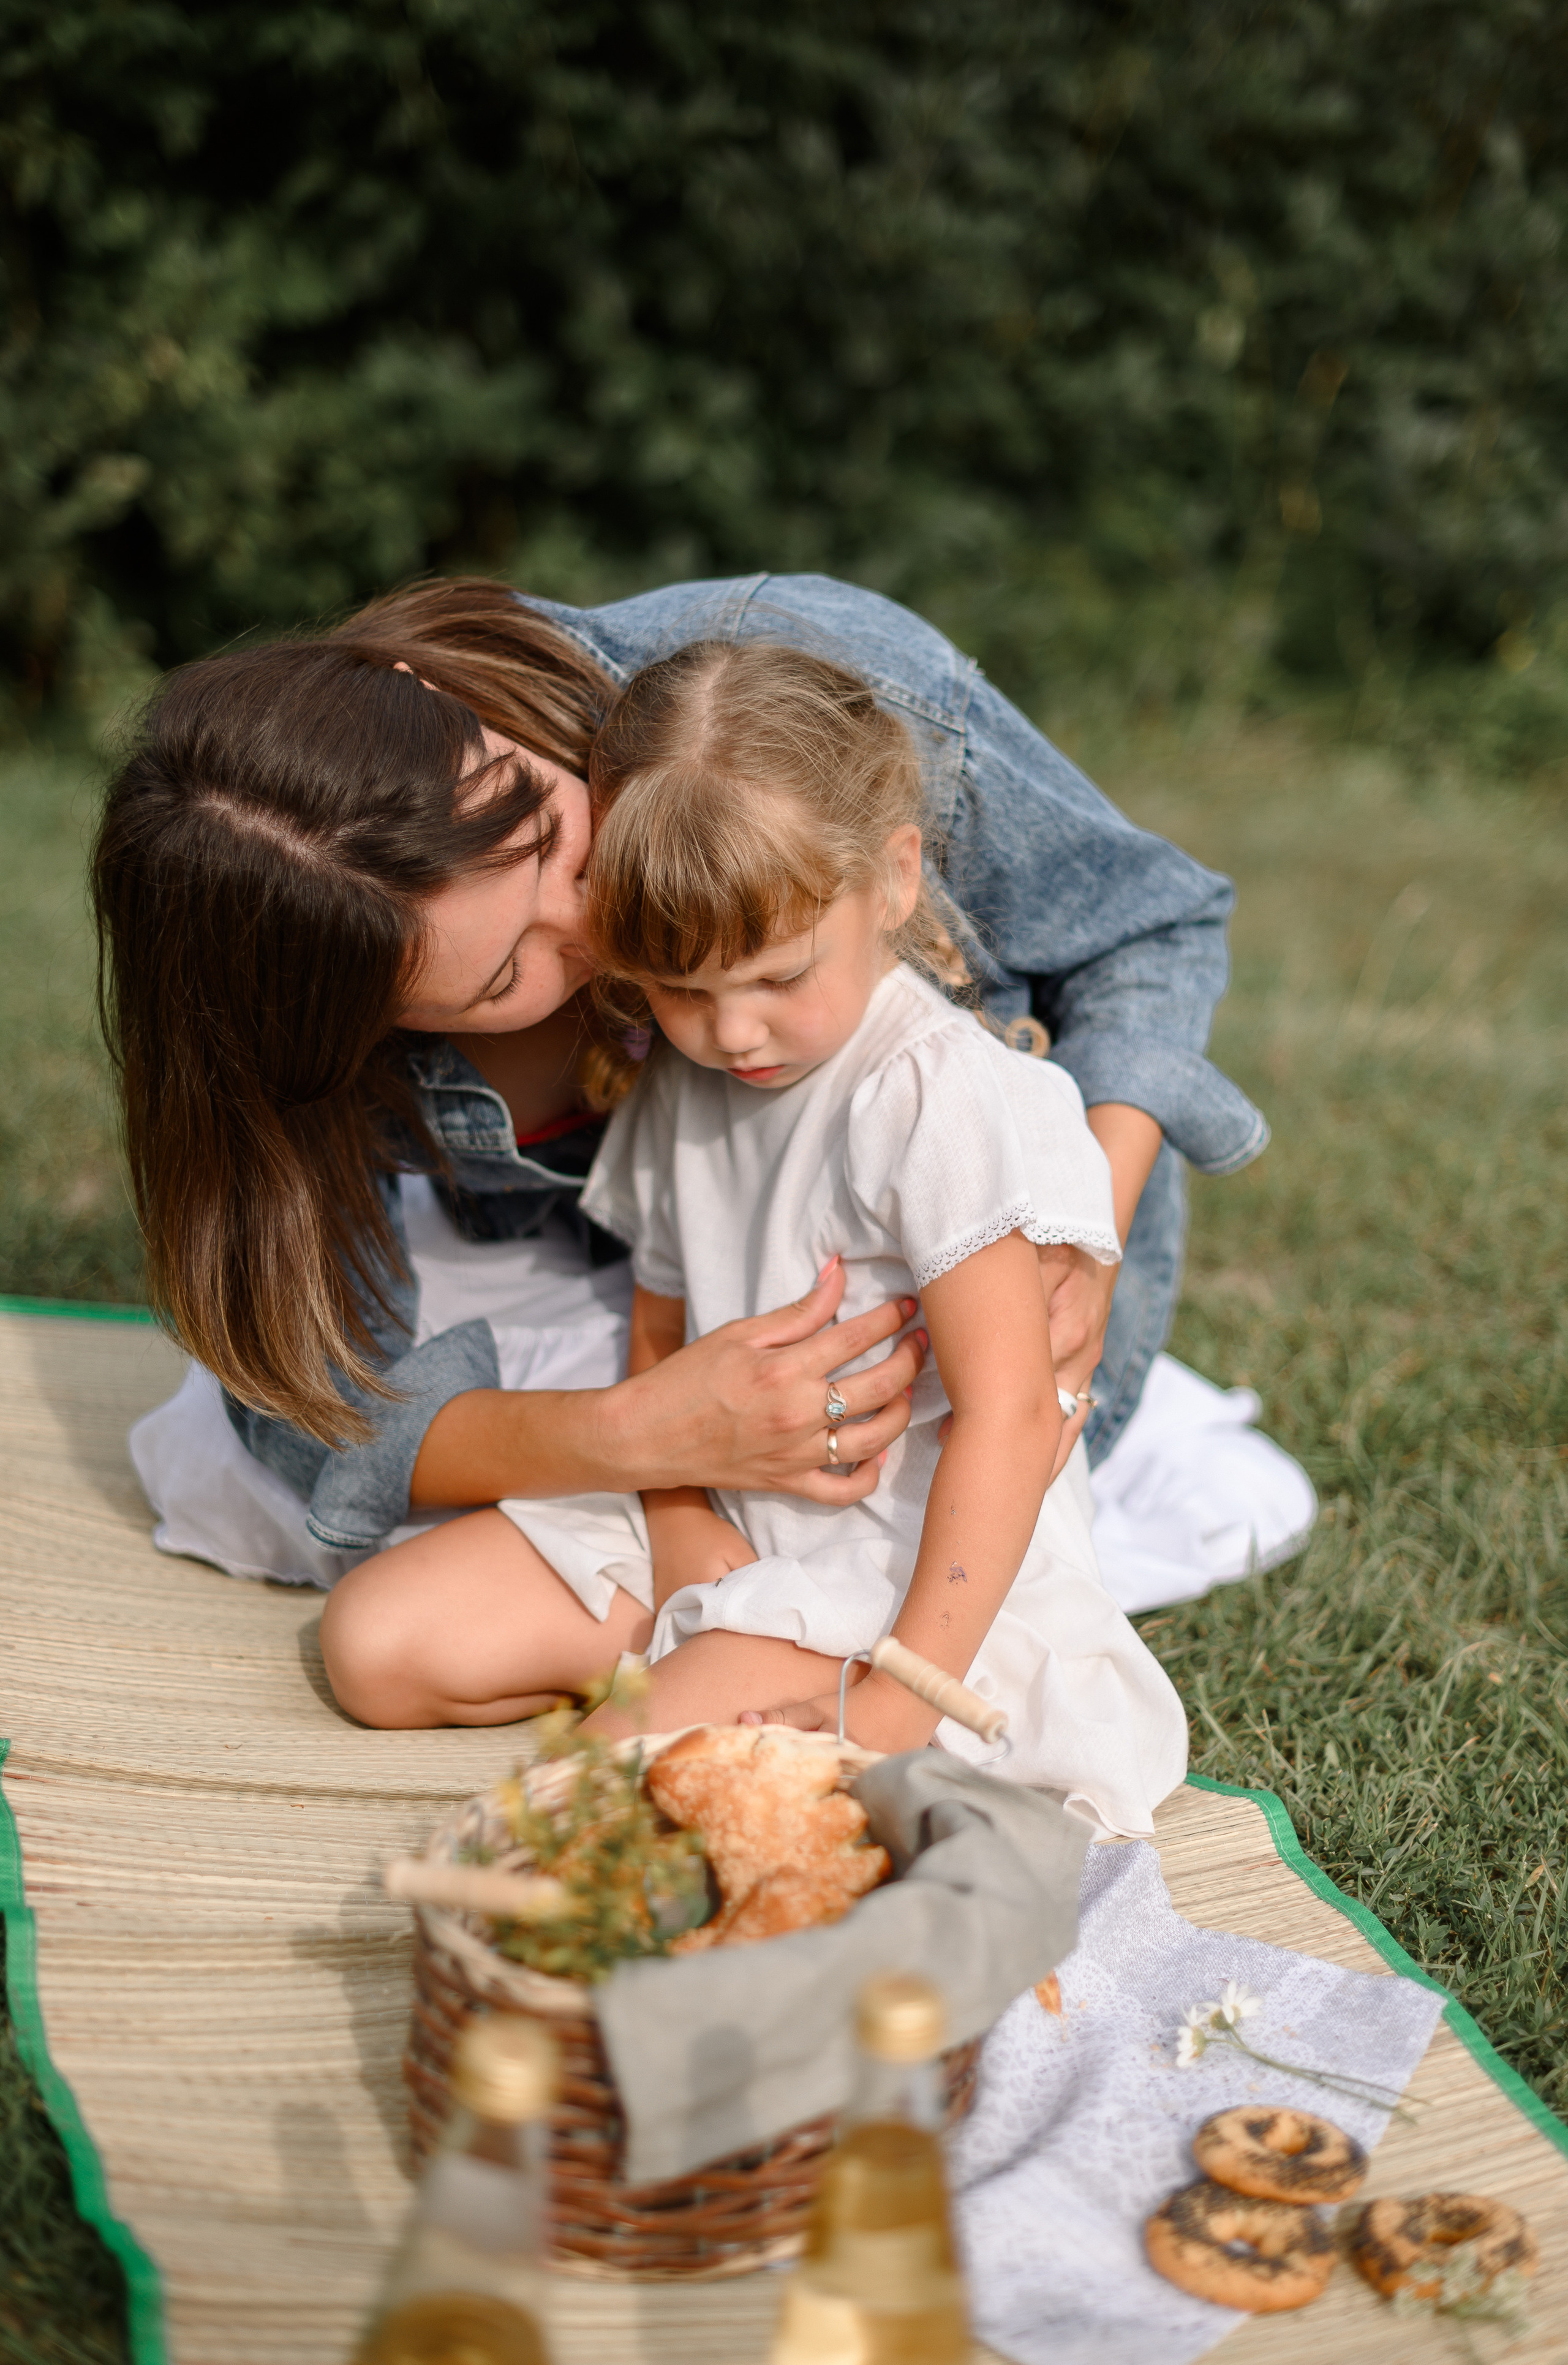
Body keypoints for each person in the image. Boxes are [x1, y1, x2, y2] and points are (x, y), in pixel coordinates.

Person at [97, 575, 1267, 1724]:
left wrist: (1083, 1232)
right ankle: (743, 1647)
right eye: (504, 977)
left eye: (548, 838)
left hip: (944, 1376)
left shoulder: (796, 704)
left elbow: (1148, 929)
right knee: (300, 1523)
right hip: (713, 1305)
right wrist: (650, 1439)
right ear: (361, 1037)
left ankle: (792, 1672)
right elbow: (311, 1384)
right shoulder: (616, 1079)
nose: (603, 929)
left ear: (431, 699)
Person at [359, 641, 1183, 1834]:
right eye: (680, 991)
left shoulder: (927, 1095)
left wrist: (904, 1694)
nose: (732, 1031)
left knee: (579, 1810)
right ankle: (727, 1673)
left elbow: (1010, 1416)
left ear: (893, 878)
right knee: (379, 1646)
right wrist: (686, 1533)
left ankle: (785, 1697)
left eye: (776, 975)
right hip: (728, 1514)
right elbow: (660, 1332)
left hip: (889, 1566)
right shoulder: (687, 1081)